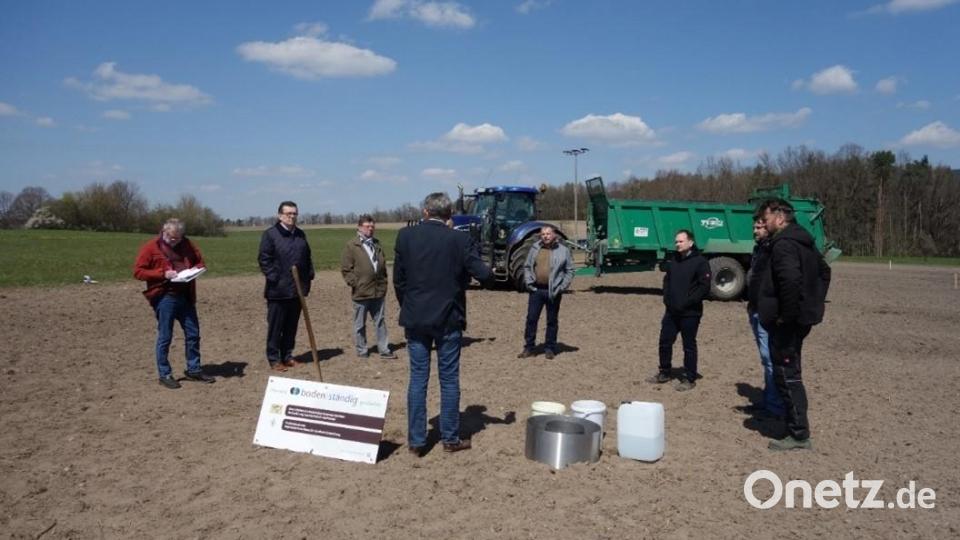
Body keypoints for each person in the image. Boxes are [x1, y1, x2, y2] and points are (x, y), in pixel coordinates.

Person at [394, 192, 492, 457]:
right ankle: (450, 439)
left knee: (418, 379)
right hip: (449, 319)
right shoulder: (460, 240)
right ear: (449, 215)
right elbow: (483, 274)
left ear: (425, 211)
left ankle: (416, 442)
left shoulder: (406, 236)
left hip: (415, 319)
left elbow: (399, 281)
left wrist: (409, 306)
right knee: (448, 380)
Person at [756, 198, 831, 451]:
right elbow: (825, 272)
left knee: (788, 376)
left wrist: (786, 317)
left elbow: (789, 282)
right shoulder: (804, 241)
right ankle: (795, 428)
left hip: (788, 324)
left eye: (765, 219)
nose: (764, 224)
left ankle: (799, 435)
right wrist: (815, 302)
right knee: (791, 374)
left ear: (779, 217)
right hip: (800, 319)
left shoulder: (784, 245)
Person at [133, 218, 215, 389]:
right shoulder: (150, 248)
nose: (175, 241)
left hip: (185, 296)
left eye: (178, 238)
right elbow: (138, 272)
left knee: (193, 334)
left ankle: (193, 369)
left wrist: (195, 270)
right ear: (164, 232)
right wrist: (162, 274)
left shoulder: (187, 244)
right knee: (165, 336)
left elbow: (200, 261)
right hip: (165, 297)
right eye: (171, 238)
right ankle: (165, 374)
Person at [649, 229, 711, 391]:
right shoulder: (674, 261)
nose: (677, 244)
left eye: (681, 241)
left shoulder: (701, 262)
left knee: (688, 345)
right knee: (664, 341)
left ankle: (689, 377)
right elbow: (667, 282)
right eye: (676, 241)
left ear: (690, 243)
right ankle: (664, 372)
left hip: (690, 313)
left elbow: (704, 287)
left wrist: (688, 302)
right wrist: (667, 299)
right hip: (671, 311)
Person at [258, 201, 315, 373]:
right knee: (276, 327)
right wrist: (275, 277)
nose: (292, 217)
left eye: (294, 214)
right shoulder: (271, 234)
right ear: (280, 215)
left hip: (297, 290)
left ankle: (288, 355)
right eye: (288, 214)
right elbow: (264, 259)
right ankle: (274, 358)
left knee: (291, 326)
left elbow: (307, 257)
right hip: (278, 291)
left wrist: (309, 274)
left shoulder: (300, 234)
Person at [340, 214, 397, 359]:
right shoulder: (352, 245)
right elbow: (346, 269)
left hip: (378, 291)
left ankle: (384, 349)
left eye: (372, 226)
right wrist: (356, 284)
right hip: (361, 292)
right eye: (367, 226)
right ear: (359, 227)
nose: (370, 229)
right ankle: (362, 350)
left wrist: (384, 284)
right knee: (360, 324)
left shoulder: (377, 243)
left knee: (380, 322)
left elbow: (382, 267)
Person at [744, 217, 784, 417]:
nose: (755, 230)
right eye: (754, 227)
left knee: (770, 359)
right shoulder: (758, 249)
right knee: (765, 359)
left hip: (766, 311)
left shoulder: (774, 249)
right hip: (755, 309)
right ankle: (769, 401)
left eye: (759, 227)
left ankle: (775, 406)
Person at [518, 225, 575, 359]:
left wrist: (562, 286)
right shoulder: (535, 248)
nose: (545, 236)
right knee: (531, 319)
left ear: (554, 235)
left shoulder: (563, 250)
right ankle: (529, 347)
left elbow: (570, 270)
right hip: (536, 290)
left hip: (553, 291)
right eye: (543, 234)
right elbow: (527, 266)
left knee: (552, 321)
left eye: (548, 234)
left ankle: (550, 348)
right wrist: (529, 281)